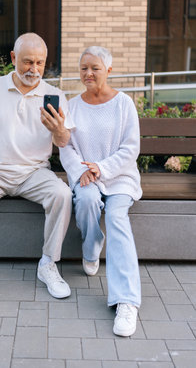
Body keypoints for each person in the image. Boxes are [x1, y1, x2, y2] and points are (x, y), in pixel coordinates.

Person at [0, 33, 74, 327]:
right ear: (12, 58)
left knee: (62, 193)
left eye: (40, 63)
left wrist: (58, 130)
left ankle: (48, 264)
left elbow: (64, 141)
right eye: (27, 61)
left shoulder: (55, 95)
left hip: (34, 172)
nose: (34, 69)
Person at [59, 46, 142, 337]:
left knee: (118, 218)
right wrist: (83, 171)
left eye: (95, 68)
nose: (88, 73)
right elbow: (66, 147)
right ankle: (91, 248)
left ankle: (127, 301)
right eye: (83, 68)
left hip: (119, 178)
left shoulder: (123, 104)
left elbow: (131, 149)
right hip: (85, 178)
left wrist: (102, 168)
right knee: (86, 201)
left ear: (108, 70)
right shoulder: (71, 104)